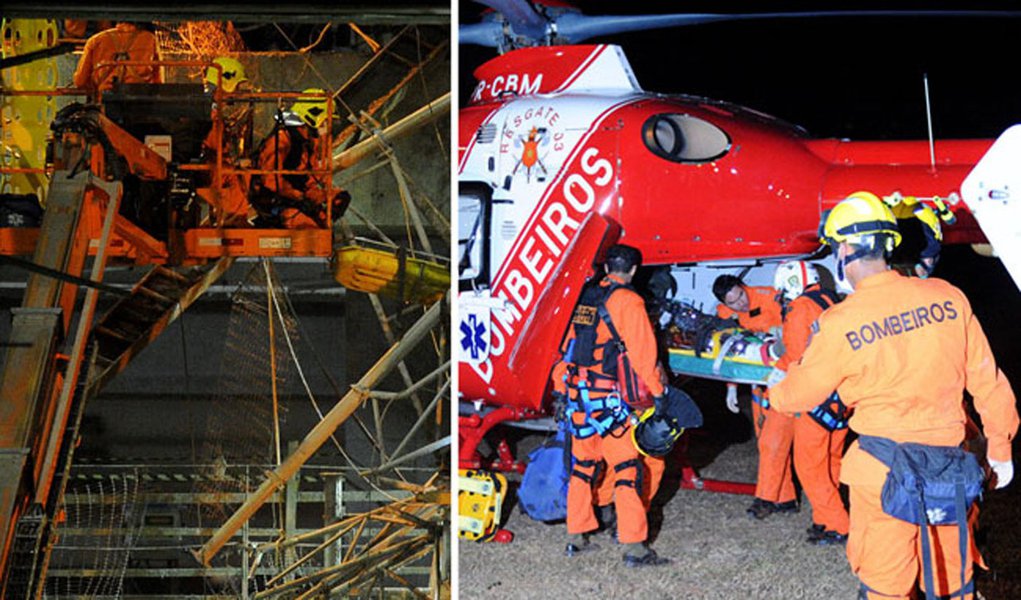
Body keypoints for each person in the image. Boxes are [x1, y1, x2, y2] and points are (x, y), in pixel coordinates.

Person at [769, 191, 1018, 599]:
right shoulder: (947, 298)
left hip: (883, 477)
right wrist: (1001, 448)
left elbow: (797, 395)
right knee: (955, 583)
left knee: (886, 585)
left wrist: (778, 385)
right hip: (948, 472)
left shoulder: (841, 321)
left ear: (845, 249)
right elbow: (989, 381)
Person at [551, 244, 670, 567]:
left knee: (582, 466)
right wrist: (659, 395)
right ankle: (635, 547)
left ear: (606, 268)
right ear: (633, 271)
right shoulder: (629, 301)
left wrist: (561, 389)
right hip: (611, 403)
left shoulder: (585, 298)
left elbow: (566, 349)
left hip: (578, 397)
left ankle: (576, 536)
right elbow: (644, 355)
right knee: (627, 469)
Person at [770, 260, 849, 545]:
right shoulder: (830, 299)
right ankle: (825, 516)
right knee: (831, 460)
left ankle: (838, 524)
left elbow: (795, 355)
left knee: (810, 466)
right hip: (842, 395)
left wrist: (776, 372)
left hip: (816, 396)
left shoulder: (799, 307)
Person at [711, 274, 794, 519]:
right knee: (766, 443)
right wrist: (731, 386)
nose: (741, 304)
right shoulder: (725, 313)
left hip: (784, 381)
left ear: (744, 287)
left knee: (772, 443)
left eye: (741, 295)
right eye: (734, 303)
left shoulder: (770, 298)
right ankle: (784, 497)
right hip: (758, 385)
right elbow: (729, 349)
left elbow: (796, 338)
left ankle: (765, 499)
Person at [250, 88, 350, 229]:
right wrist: (299, 197)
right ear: (312, 116)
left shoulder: (308, 140)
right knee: (309, 229)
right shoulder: (283, 139)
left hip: (297, 195)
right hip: (277, 200)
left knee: (338, 199)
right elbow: (271, 180)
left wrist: (320, 195)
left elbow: (310, 175)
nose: (328, 127)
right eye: (326, 121)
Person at [200, 56, 254, 226]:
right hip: (210, 167)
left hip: (209, 164)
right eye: (236, 86)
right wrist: (236, 162)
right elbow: (213, 146)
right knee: (240, 175)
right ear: (226, 81)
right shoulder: (210, 112)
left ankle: (231, 220)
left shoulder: (206, 106)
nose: (237, 92)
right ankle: (235, 222)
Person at [72, 21, 161, 98]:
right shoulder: (150, 39)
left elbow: (80, 81)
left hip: (105, 101)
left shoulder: (95, 40)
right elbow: (158, 82)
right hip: (139, 100)